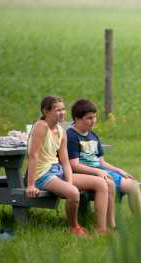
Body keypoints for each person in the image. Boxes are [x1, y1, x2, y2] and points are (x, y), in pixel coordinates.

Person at [25, 96, 111, 236]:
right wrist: (30, 184)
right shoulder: (41, 126)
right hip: (42, 175)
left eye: (63, 109)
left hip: (57, 171)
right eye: (58, 110)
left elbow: (65, 161)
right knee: (73, 192)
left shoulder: (61, 131)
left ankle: (101, 230)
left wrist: (70, 182)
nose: (63, 112)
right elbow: (33, 155)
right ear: (46, 111)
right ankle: (74, 227)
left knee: (101, 183)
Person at [66, 99, 141, 227]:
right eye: (89, 118)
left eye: (94, 117)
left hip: (100, 171)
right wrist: (97, 172)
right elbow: (74, 165)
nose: (93, 121)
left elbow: (101, 161)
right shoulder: (71, 136)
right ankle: (111, 226)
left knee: (133, 185)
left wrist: (118, 170)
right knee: (111, 184)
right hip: (85, 174)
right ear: (77, 119)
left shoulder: (93, 135)